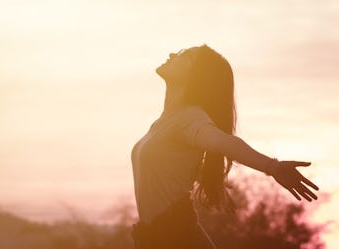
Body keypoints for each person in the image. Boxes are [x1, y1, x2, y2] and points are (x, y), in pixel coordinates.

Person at [130, 44, 319, 249]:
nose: (172, 54)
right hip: (156, 236)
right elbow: (170, 166)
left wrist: (272, 167)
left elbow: (224, 142)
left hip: (177, 236)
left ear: (195, 76)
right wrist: (208, 177)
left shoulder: (189, 118)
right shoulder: (166, 121)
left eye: (185, 56)